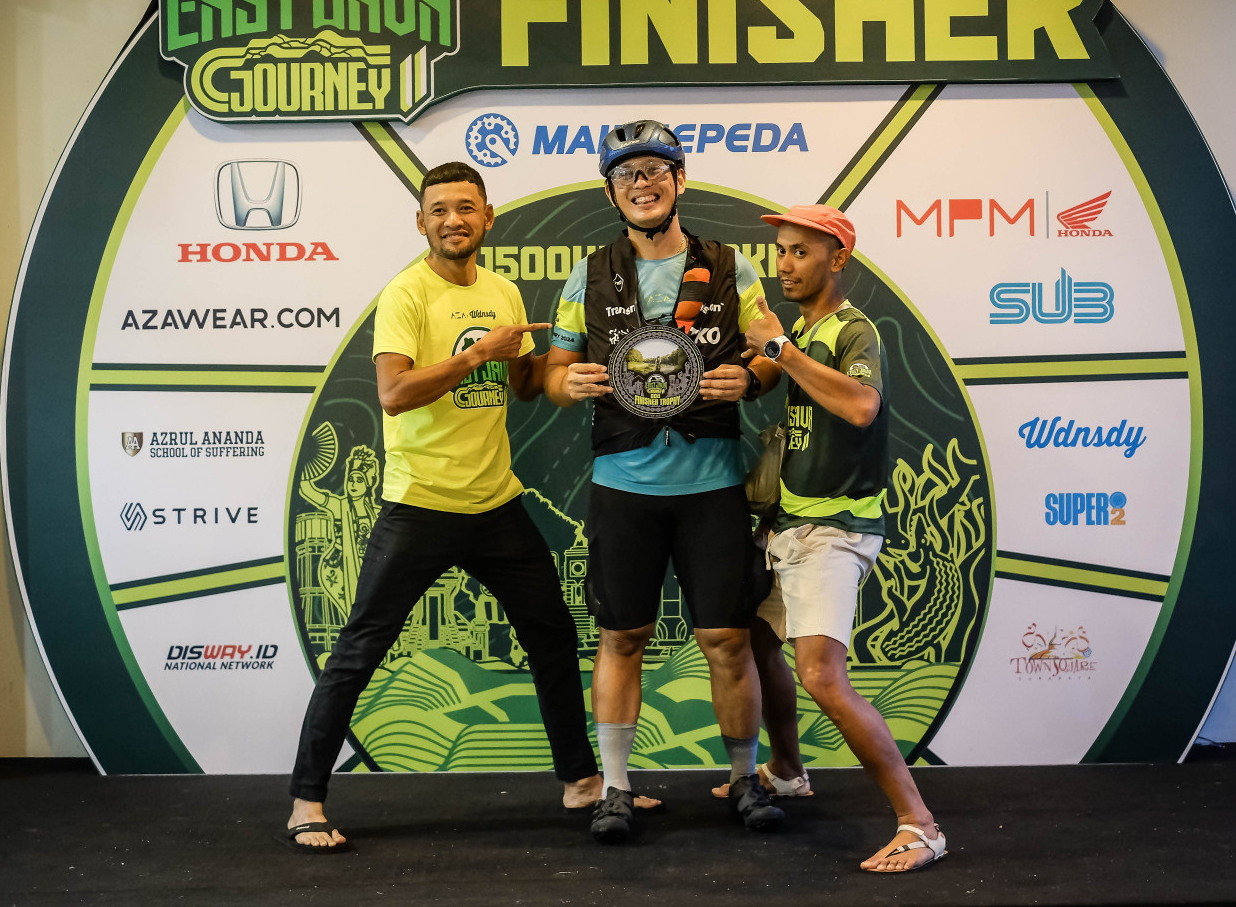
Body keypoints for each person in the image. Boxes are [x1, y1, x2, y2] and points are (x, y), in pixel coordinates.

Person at [281, 162, 608, 852]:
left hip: (496, 503)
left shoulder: (503, 290)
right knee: (359, 652)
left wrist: (545, 360)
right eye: (439, 209)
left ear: (487, 217)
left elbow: (521, 387)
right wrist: (477, 353)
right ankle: (306, 801)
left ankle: (582, 783)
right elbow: (393, 394)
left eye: (465, 207)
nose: (452, 219)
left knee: (552, 636)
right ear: (421, 222)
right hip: (420, 505)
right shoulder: (406, 293)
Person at [544, 120, 785, 843]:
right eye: (626, 174)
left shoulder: (732, 267)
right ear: (611, 193)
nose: (641, 184)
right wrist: (568, 384)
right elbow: (553, 375)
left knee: (728, 640)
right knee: (622, 637)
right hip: (625, 484)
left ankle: (744, 778)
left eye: (655, 170)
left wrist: (753, 376)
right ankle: (616, 789)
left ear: (679, 180)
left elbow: (771, 352)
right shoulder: (588, 274)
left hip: (712, 485)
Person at [733, 204, 948, 873]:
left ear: (838, 259)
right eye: (781, 250)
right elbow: (760, 378)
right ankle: (788, 771)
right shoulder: (803, 328)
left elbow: (860, 406)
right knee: (756, 640)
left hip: (833, 532)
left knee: (823, 676)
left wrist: (779, 350)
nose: (785, 263)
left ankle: (920, 826)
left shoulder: (854, 329)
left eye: (800, 251)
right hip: (790, 526)